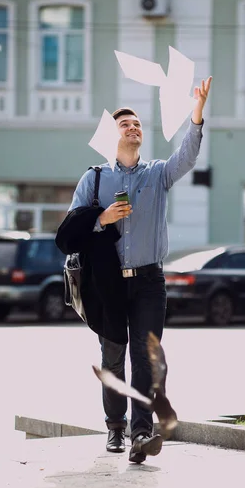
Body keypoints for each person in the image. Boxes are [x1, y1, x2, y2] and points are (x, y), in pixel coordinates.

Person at [68, 76, 212, 463]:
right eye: (124, 124)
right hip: (108, 284)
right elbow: (71, 229)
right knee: (113, 357)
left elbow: (188, 155)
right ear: (110, 136)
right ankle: (115, 427)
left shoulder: (158, 174)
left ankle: (141, 433)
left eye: (137, 125)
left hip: (149, 280)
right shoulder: (94, 179)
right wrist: (102, 219)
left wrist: (196, 114)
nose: (133, 128)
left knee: (146, 358)